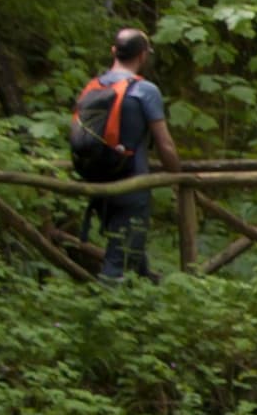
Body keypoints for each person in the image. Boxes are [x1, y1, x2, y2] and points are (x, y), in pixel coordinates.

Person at [67, 29, 183, 282]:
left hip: (98, 178)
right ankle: (104, 306)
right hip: (132, 182)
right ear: (143, 55)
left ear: (113, 52)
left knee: (130, 243)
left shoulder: (93, 86)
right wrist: (179, 176)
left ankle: (148, 293)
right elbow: (165, 144)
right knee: (118, 257)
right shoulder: (145, 91)